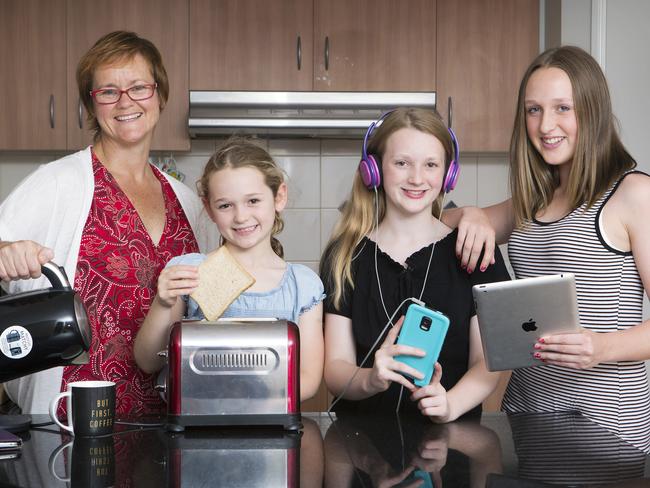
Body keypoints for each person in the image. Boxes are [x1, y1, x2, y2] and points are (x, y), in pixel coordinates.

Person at [0, 31, 217, 416]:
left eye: (139, 87)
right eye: (108, 92)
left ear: (160, 95)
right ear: (91, 105)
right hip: (70, 421)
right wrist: (6, 253)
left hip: (172, 421)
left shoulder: (188, 204)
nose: (125, 101)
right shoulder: (58, 182)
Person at [446, 46, 650, 450]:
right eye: (533, 110)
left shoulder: (633, 194)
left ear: (592, 112)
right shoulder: (532, 201)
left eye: (563, 108)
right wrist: (470, 213)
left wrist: (601, 347)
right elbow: (434, 227)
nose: (545, 125)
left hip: (606, 430)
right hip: (524, 417)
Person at [319, 107, 511, 421]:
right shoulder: (343, 256)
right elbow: (335, 369)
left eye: (431, 165)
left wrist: (450, 405)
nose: (417, 178)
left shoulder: (477, 250)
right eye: (402, 163)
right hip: (361, 446)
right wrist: (370, 379)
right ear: (375, 169)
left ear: (449, 174)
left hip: (451, 447)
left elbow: (487, 363)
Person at [134, 137, 325, 402]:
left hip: (272, 427)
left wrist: (241, 399)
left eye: (253, 201)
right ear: (209, 209)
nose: (241, 217)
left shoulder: (302, 285)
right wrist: (163, 303)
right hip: (195, 430)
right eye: (225, 205)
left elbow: (308, 380)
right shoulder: (188, 272)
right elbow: (148, 362)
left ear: (279, 197)